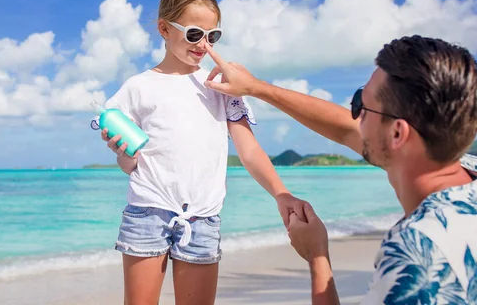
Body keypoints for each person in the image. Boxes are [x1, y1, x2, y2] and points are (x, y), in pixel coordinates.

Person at [202, 35, 477, 304]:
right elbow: (345, 129)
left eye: (361, 105)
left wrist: (317, 256)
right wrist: (255, 88)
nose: (354, 115)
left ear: (397, 134)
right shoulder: (466, 171)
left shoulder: (416, 255)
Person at [91, 0, 307, 305]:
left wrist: (281, 193)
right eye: (194, 34)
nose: (204, 45)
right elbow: (129, 166)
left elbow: (248, 150)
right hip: (148, 213)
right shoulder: (137, 88)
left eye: (213, 36)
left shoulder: (221, 87)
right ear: (164, 28)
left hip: (203, 220)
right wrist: (123, 153)